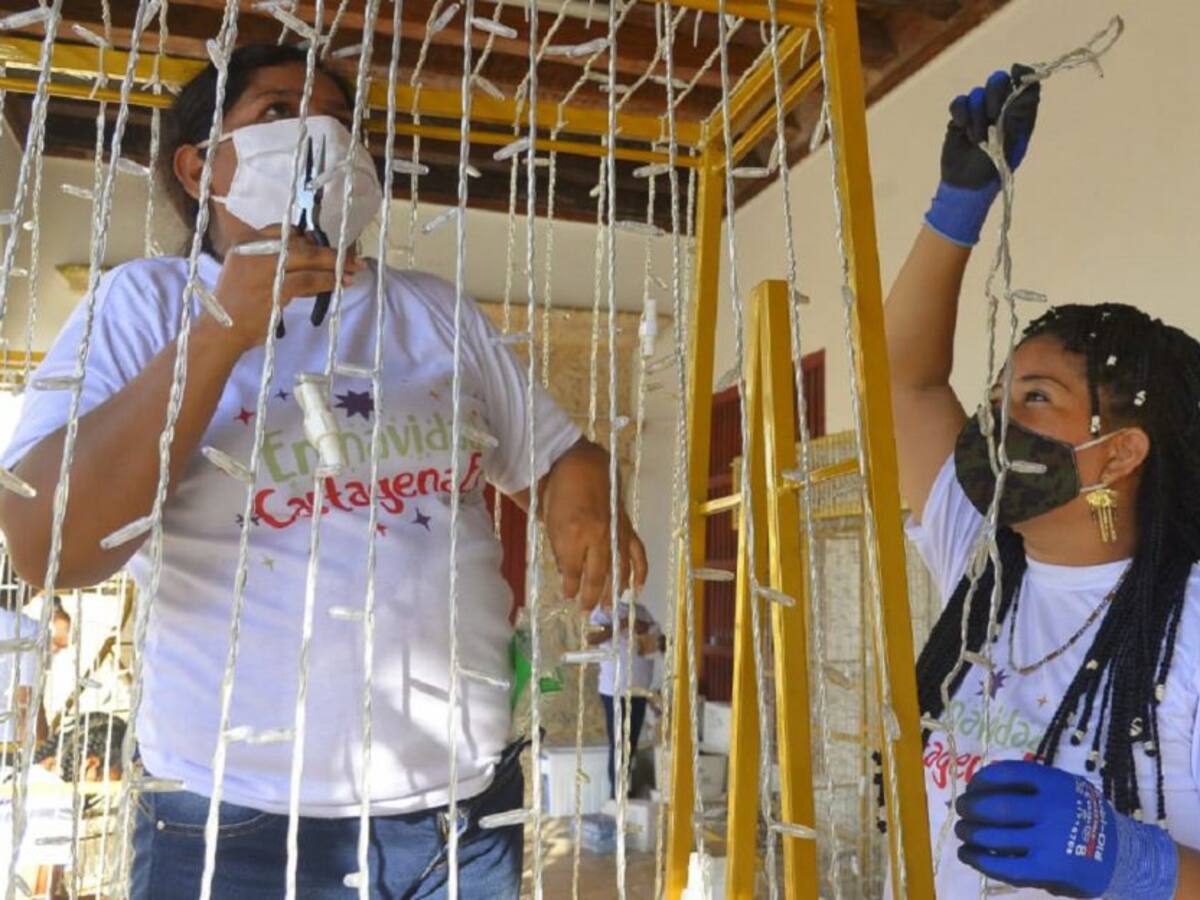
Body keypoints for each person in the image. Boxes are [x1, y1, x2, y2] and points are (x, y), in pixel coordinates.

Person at [0, 44, 646, 899]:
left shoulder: (433, 312)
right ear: (199, 168)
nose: (326, 139)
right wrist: (222, 331)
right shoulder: (142, 303)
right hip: (235, 814)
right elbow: (51, 547)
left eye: (343, 122)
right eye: (279, 113)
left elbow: (556, 455)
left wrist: (587, 484)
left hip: (461, 808)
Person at [887, 65, 1200, 897]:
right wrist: (955, 210)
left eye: (1036, 399)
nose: (994, 423)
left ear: (1122, 454)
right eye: (998, 395)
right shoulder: (985, 570)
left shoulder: (1195, 623)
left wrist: (1136, 861)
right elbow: (906, 383)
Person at [588, 597, 663, 799]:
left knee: (631, 743)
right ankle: (617, 795)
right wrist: (621, 624)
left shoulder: (641, 610)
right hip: (616, 691)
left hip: (639, 691)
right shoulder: (603, 611)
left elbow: (659, 642)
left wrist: (646, 628)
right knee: (620, 744)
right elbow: (591, 637)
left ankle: (624, 792)